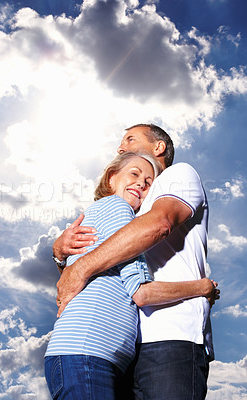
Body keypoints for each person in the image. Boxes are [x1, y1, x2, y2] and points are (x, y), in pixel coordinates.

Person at [53, 124, 219, 400]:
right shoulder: (126, 205)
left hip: (170, 336)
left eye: (130, 139)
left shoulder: (178, 175)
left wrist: (81, 267)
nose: (120, 147)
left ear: (159, 148)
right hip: (122, 344)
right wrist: (60, 254)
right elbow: (76, 282)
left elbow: (160, 223)